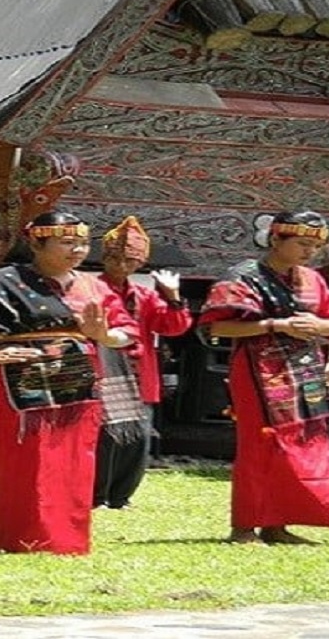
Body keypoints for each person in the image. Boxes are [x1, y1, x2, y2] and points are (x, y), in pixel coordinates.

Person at [0, 211, 138, 555]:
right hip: (21, 382)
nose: (78, 250)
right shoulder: (1, 282)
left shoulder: (93, 286)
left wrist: (104, 335)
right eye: (67, 242)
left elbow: (127, 332)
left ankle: (68, 540)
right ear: (36, 243)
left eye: (82, 243)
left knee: (76, 461)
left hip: (79, 382)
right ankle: (25, 538)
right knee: (27, 460)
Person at [198, 210, 329, 545]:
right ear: (276, 239)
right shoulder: (242, 277)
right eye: (301, 243)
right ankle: (245, 526)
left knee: (303, 442)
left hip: (305, 368)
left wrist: (315, 327)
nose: (309, 252)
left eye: (314, 245)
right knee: (260, 445)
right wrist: (274, 324)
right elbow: (217, 327)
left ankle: (278, 524)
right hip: (257, 369)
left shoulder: (313, 279)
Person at [93, 216, 191, 509]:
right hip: (105, 371)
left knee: (138, 438)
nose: (122, 266)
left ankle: (121, 496)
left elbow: (172, 327)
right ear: (105, 258)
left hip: (139, 374)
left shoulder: (145, 295)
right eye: (116, 259)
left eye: (131, 262)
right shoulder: (90, 287)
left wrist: (173, 297)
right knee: (106, 438)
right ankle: (97, 495)